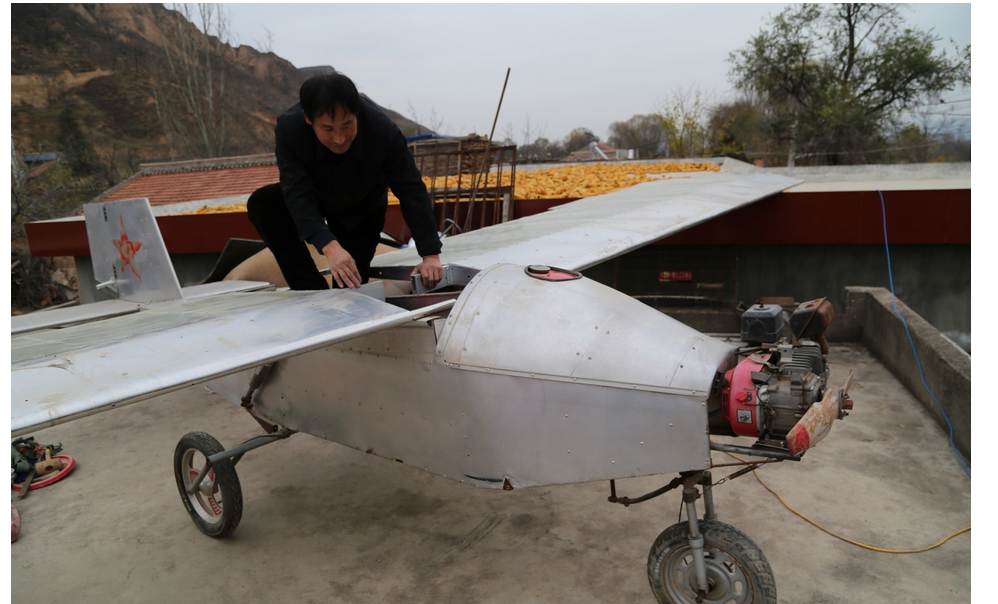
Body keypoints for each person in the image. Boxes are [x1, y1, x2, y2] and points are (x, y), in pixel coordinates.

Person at [248, 73, 442, 290]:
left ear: (356, 113)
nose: (339, 139)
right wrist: (329, 246)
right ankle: (309, 289)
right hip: (316, 195)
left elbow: (411, 190)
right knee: (263, 203)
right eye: (328, 129)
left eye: (347, 125)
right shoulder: (290, 130)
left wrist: (430, 255)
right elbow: (296, 191)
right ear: (308, 119)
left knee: (350, 286)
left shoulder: (382, 131)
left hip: (362, 204)